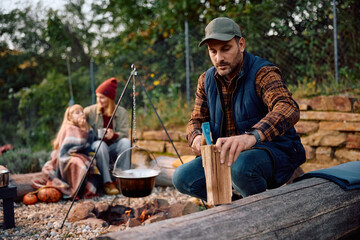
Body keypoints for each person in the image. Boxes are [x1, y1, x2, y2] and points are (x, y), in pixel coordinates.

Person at [172, 17, 306, 200]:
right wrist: (195, 137)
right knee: (182, 177)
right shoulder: (206, 80)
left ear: (241, 45)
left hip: (273, 151)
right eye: (213, 51)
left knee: (241, 168)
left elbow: (288, 107)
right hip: (225, 157)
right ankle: (234, 207)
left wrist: (251, 137)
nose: (219, 58)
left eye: (226, 49)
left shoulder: (263, 72)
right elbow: (195, 120)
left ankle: (263, 213)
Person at [33, 104, 119, 199]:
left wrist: (86, 129)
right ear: (70, 117)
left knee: (90, 163)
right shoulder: (69, 128)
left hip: (80, 154)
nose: (81, 114)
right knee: (79, 163)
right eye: (77, 113)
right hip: (67, 156)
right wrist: (82, 130)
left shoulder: (86, 127)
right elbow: (74, 146)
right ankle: (74, 190)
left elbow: (90, 143)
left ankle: (85, 189)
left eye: (82, 112)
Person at [84, 77, 131, 182]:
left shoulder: (121, 112)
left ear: (110, 99)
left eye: (102, 97)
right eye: (97, 97)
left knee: (126, 142)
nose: (98, 100)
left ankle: (123, 179)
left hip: (114, 147)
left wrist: (113, 135)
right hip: (97, 147)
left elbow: (124, 133)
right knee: (101, 145)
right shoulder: (89, 112)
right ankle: (107, 182)